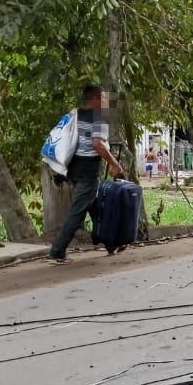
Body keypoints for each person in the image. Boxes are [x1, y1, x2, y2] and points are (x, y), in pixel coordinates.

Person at [48, 84, 126, 265]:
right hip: (87, 170)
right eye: (105, 98)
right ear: (97, 99)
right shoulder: (99, 118)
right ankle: (57, 251)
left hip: (73, 167)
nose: (107, 102)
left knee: (95, 207)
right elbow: (98, 144)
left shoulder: (74, 114)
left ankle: (111, 242)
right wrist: (115, 165)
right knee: (78, 211)